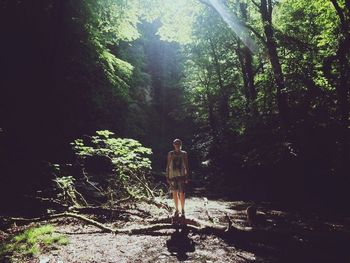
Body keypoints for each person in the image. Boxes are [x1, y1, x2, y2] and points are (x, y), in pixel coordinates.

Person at [166, 138, 189, 219]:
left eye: (178, 144)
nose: (177, 146)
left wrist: (187, 176)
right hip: (172, 176)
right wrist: (167, 175)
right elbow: (168, 165)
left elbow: (186, 165)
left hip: (182, 176)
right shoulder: (170, 154)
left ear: (181, 145)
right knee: (174, 193)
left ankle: (182, 209)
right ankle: (176, 209)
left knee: (182, 193)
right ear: (173, 145)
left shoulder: (184, 154)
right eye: (176, 144)